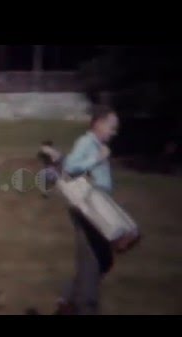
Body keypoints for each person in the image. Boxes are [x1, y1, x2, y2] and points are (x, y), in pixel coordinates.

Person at [55, 105, 119, 315]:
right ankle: (83, 305)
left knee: (103, 259)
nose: (113, 132)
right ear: (98, 124)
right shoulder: (86, 143)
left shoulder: (97, 145)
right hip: (89, 210)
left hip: (100, 208)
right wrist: (97, 159)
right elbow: (70, 166)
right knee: (92, 260)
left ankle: (68, 299)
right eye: (111, 127)